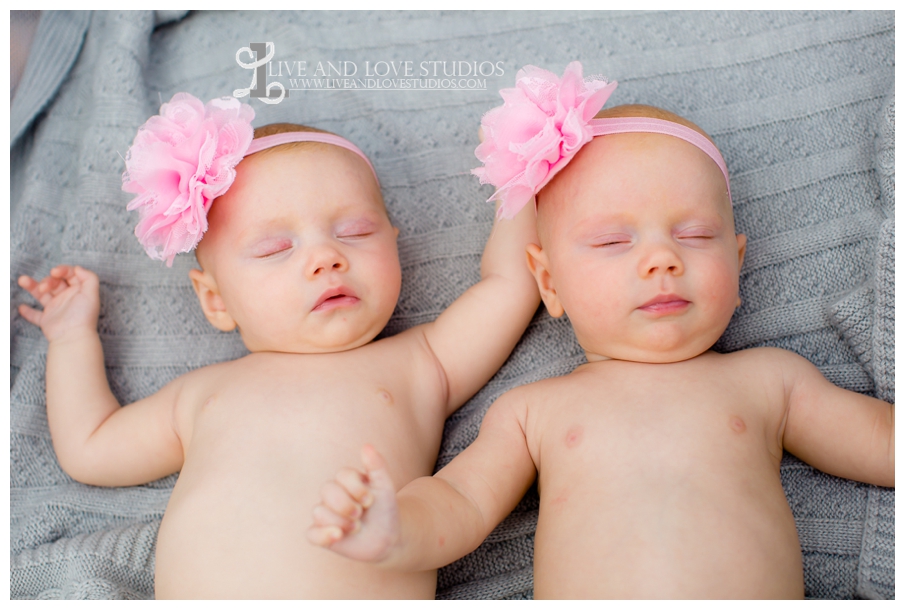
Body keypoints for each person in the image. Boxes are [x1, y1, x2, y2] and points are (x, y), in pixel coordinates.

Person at [307, 63, 895, 599]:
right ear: (549, 282)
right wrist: (397, 525)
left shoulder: (772, 381)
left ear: (738, 264)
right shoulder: (533, 411)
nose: (661, 259)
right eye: (615, 242)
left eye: (693, 235)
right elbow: (459, 502)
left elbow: (880, 442)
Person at [16, 92, 540, 599]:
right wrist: (70, 336)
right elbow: (91, 445)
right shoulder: (201, 395)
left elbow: (509, 286)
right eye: (275, 248)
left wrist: (520, 174)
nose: (326, 256)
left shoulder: (421, 362)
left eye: (355, 232)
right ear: (216, 300)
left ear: (395, 240)